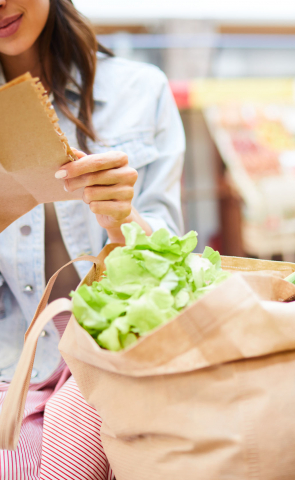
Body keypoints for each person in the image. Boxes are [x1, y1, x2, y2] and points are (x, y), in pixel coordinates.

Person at [0, 0, 185, 478]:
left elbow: (175, 268)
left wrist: (121, 218)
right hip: (13, 357)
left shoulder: (141, 91)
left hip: (117, 346)